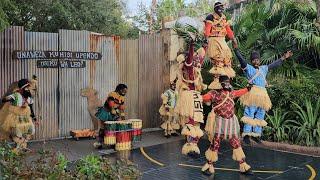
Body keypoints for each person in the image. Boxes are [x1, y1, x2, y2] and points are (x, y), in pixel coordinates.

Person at [233, 45, 293, 144]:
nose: (256, 61)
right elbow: (242, 60)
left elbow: (274, 65)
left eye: (257, 60)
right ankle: (246, 135)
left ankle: (256, 135)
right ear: (251, 61)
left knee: (260, 114)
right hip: (252, 93)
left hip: (263, 94)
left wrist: (284, 57)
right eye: (254, 60)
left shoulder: (264, 68)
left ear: (259, 60)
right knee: (250, 113)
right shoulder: (248, 68)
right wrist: (236, 50)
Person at [202, 75, 253, 175]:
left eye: (228, 81)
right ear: (220, 83)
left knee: (236, 144)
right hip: (219, 123)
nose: (227, 83)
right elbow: (205, 97)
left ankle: (243, 166)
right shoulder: (215, 94)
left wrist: (247, 89)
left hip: (230, 123)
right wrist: (194, 95)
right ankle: (208, 166)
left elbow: (238, 92)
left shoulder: (231, 93)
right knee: (215, 145)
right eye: (225, 82)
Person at [204, 2, 238, 89]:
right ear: (215, 8)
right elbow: (207, 29)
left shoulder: (223, 17)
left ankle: (227, 81)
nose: (221, 9)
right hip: (214, 39)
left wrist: (233, 39)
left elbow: (228, 30)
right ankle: (216, 83)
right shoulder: (210, 17)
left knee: (228, 59)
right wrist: (206, 39)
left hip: (222, 40)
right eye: (219, 8)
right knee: (218, 59)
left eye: (222, 8)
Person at [0, 79, 37, 152]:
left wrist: (35, 119)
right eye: (27, 88)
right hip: (15, 118)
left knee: (31, 131)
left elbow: (31, 110)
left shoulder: (29, 98)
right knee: (17, 134)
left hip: (26, 119)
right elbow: (4, 100)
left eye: (29, 88)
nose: (28, 90)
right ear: (22, 88)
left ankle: (22, 146)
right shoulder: (15, 95)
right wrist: (9, 98)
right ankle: (19, 147)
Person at [94, 84, 128, 148]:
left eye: (125, 91)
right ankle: (99, 142)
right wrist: (113, 111)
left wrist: (123, 117)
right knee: (103, 127)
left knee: (117, 126)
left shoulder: (122, 97)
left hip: (114, 112)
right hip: (106, 112)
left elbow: (122, 108)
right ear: (119, 90)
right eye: (124, 91)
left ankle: (114, 142)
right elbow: (111, 105)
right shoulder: (112, 94)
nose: (125, 92)